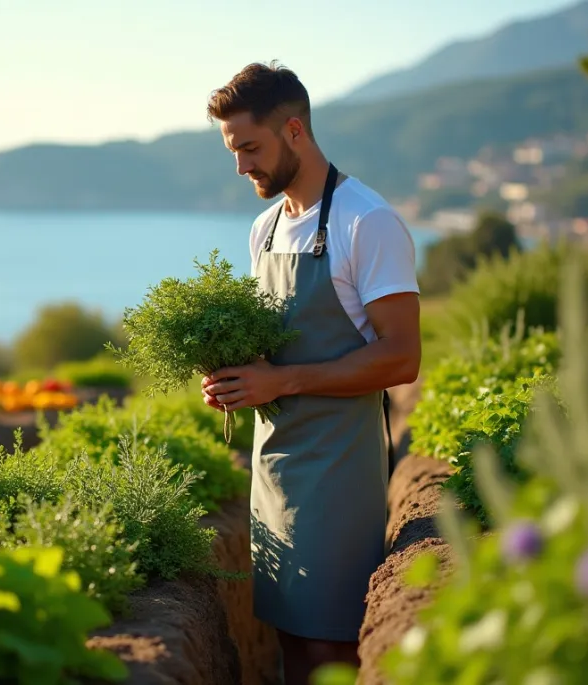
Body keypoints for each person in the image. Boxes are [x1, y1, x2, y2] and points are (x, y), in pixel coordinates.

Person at [201, 61, 422, 682]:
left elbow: (402, 357)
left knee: (332, 650)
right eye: (232, 150)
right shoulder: (264, 230)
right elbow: (277, 351)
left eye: (250, 147)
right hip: (274, 468)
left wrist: (284, 382)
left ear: (294, 130)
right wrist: (237, 379)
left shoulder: (366, 222)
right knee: (287, 644)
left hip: (338, 471)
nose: (241, 166)